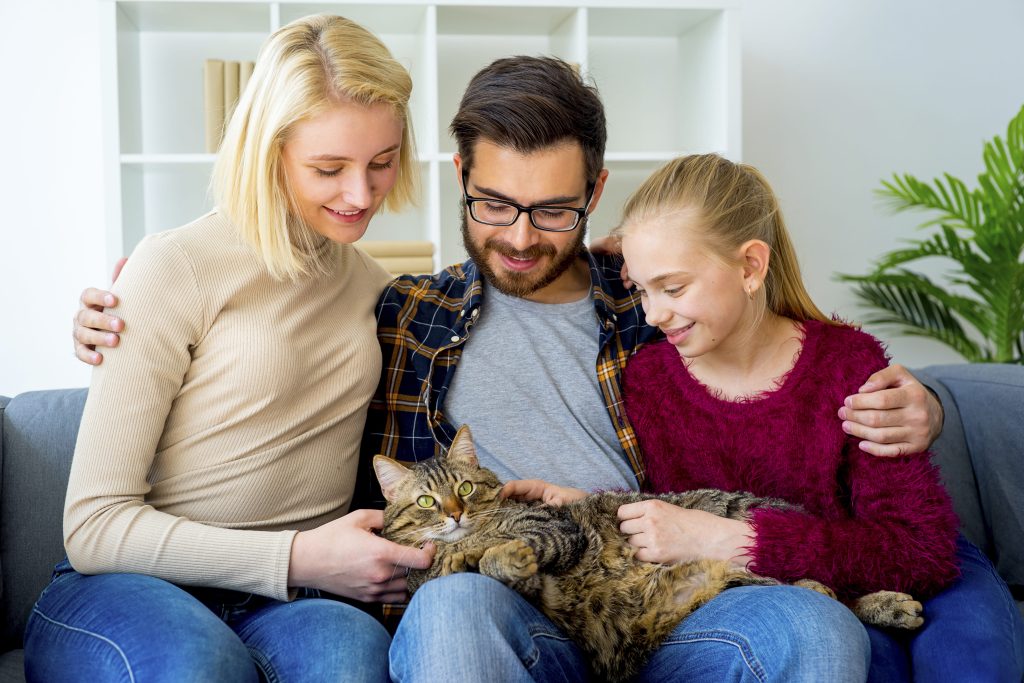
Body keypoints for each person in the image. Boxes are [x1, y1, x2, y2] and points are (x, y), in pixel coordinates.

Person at [74, 57, 943, 680]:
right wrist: (121, 310)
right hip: (506, 605)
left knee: (815, 627)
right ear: (458, 176)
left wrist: (924, 400)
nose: (522, 236)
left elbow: (781, 345)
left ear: (596, 193)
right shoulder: (401, 310)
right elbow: (262, 326)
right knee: (449, 612)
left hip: (664, 593)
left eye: (554, 210)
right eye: (495, 204)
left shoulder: (651, 297)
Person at [27, 14, 433, 682]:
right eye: (328, 168)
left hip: (292, 603)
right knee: (197, 664)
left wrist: (606, 263)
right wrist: (299, 556)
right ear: (268, 151)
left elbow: (489, 301)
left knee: (352, 662)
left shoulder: (378, 290)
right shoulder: (173, 265)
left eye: (382, 163)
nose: (361, 194)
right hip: (128, 584)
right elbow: (94, 526)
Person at [609, 153, 1024, 682]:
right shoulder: (651, 382)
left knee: (956, 658)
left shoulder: (846, 364)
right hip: (783, 610)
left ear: (750, 266)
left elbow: (918, 550)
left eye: (672, 288)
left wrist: (739, 540)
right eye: (641, 289)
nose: (652, 313)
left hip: (883, 586)